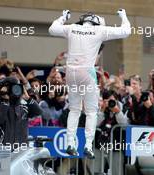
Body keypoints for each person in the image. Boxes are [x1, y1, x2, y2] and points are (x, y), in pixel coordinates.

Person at [49, 8, 131, 158]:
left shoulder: (73, 28)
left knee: (74, 110)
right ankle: (88, 145)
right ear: (96, 22)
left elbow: (52, 29)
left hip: (70, 73)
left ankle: (70, 143)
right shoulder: (99, 30)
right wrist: (123, 16)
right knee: (91, 112)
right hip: (86, 72)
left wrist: (63, 17)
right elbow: (126, 31)